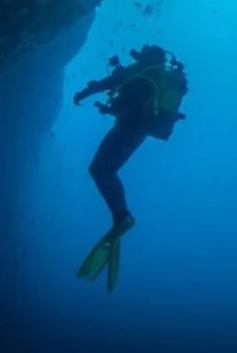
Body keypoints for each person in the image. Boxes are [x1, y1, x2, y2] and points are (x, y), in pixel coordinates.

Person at [72, 44, 188, 292]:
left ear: (146, 56)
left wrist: (91, 95)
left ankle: (122, 217)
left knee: (101, 171)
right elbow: (119, 87)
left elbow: (123, 92)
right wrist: (94, 96)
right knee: (101, 170)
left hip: (130, 127)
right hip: (134, 129)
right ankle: (121, 217)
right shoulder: (153, 75)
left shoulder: (144, 74)